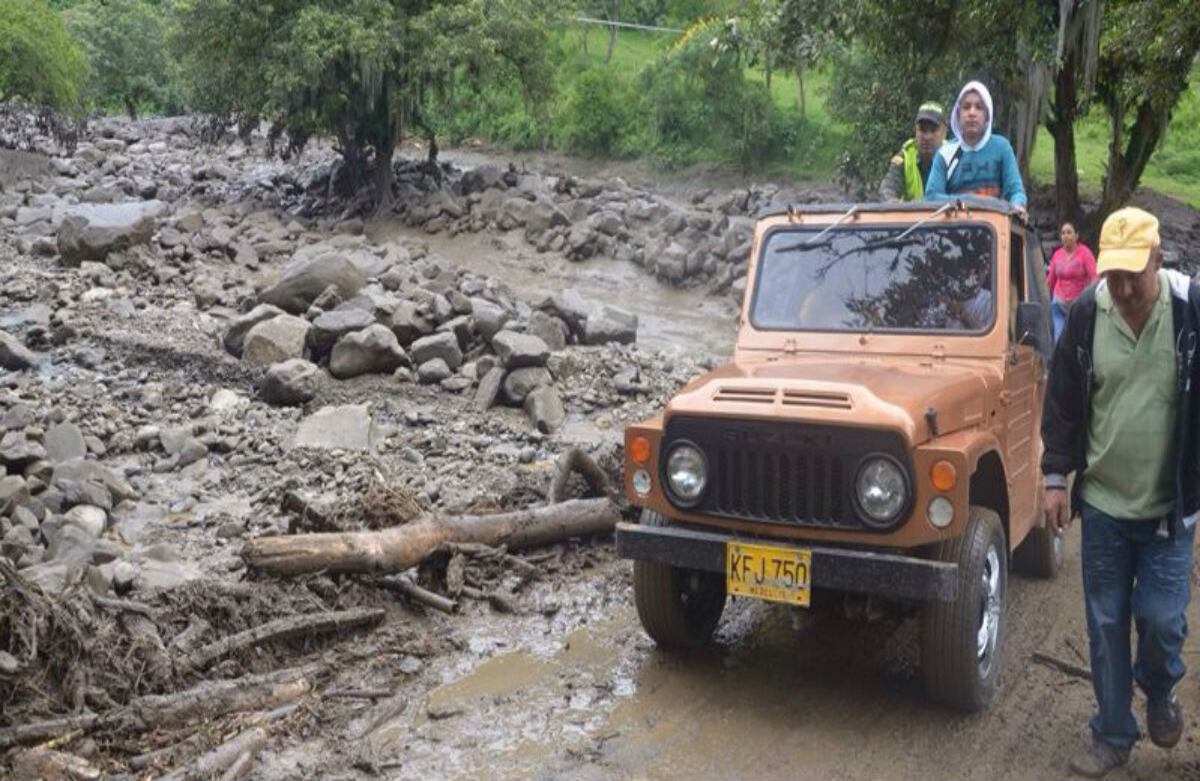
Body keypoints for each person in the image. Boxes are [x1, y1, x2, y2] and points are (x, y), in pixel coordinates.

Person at [1041, 207, 1200, 778]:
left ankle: (1158, 688)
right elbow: (1059, 401)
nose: (1125, 287)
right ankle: (1112, 732)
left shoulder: (1190, 311)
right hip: (1105, 502)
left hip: (1167, 507)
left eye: (1135, 272)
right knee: (1106, 622)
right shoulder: (1087, 312)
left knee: (1160, 619)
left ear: (1160, 257)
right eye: (1113, 274)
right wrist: (1056, 477)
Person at [924, 81, 1027, 216]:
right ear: (958, 114)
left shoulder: (1002, 148)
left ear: (987, 116)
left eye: (979, 107)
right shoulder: (945, 153)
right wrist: (969, 202)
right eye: (966, 107)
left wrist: (1017, 204)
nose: (972, 113)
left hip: (994, 227)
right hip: (955, 226)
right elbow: (931, 197)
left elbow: (1016, 192)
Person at [879, 102, 947, 202]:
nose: (927, 137)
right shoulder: (905, 157)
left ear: (944, 132)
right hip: (912, 217)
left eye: (933, 130)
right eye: (922, 130)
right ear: (915, 130)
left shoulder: (954, 156)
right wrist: (896, 204)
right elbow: (887, 189)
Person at [1046, 221, 1099, 340]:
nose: (1065, 236)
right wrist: (1044, 299)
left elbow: (1094, 277)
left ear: (1076, 236)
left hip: (1077, 305)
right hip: (1058, 303)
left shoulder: (1085, 254)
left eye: (1069, 232)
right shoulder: (1057, 255)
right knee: (1059, 339)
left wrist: (1092, 299)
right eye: (1063, 233)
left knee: (1077, 340)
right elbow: (1050, 280)